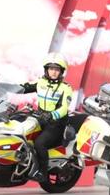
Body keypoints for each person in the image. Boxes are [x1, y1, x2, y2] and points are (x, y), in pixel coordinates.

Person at [22, 53, 73, 183]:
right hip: (40, 118)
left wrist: (51, 115)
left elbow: (64, 109)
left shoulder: (65, 88)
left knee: (39, 143)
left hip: (55, 123)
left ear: (61, 71)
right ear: (46, 70)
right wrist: (8, 88)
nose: (53, 72)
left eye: (56, 69)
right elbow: (26, 87)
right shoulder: (41, 82)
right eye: (51, 69)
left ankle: (42, 173)